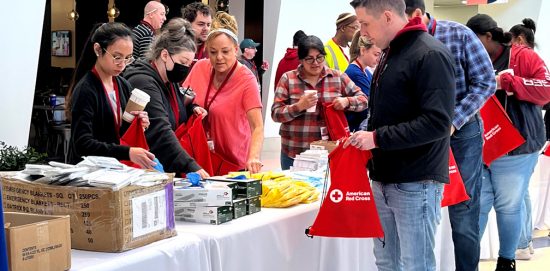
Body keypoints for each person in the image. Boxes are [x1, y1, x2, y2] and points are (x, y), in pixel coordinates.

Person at [346, 0, 456, 270]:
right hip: (383, 177)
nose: (362, 32)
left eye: (365, 23)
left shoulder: (429, 54)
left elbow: (437, 122)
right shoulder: (389, 54)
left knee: (416, 264)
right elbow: (386, 111)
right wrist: (365, 133)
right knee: (386, 262)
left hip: (416, 181)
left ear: (386, 16)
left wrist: (377, 138)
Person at [404, 1, 497, 270]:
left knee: (464, 213)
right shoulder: (402, 43)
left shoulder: (459, 34)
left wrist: (453, 121)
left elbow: (486, 82)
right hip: (420, 135)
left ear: (417, 14)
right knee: (418, 207)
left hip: (462, 134)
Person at [467, 14, 550, 271]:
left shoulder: (523, 56)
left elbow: (546, 89)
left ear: (488, 36)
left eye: (475, 40)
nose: (471, 46)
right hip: (481, 146)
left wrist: (510, 82)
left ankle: (506, 260)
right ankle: (468, 262)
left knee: (508, 206)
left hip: (517, 146)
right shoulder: (473, 59)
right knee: (477, 206)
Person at [124, 18, 209, 178]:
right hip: (148, 171)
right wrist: (190, 166)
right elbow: (159, 129)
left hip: (164, 169)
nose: (185, 68)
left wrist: (192, 108)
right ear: (164, 55)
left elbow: (175, 109)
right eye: (183, 62)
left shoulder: (169, 81)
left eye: (190, 64)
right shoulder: (143, 82)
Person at [182, 12, 264, 173]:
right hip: (201, 159)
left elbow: (257, 127)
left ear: (235, 49)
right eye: (213, 52)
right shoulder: (200, 68)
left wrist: (254, 157)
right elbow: (181, 100)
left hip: (234, 165)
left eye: (225, 51)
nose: (219, 57)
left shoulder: (246, 79)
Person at [272, 35, 368, 170]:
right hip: (294, 152)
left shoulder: (337, 77)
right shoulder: (288, 79)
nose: (315, 63)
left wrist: (347, 101)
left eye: (319, 57)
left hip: (328, 153)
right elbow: (275, 114)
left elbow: (364, 100)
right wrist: (299, 107)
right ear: (301, 60)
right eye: (309, 59)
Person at [67, 22, 155, 168]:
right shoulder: (86, 89)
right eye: (117, 57)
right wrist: (128, 153)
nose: (122, 64)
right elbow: (82, 144)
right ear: (98, 49)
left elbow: (120, 133)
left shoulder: (123, 85)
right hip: (88, 175)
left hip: (115, 171)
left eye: (128, 58)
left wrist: (138, 125)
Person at [509, 17, 539, 261]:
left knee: (516, 193)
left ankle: (522, 242)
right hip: (531, 134)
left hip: (523, 135)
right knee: (522, 192)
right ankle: (525, 241)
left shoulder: (523, 62)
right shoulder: (531, 62)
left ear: (518, 40)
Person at [344, 31, 381, 132]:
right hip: (355, 128)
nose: (378, 59)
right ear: (363, 50)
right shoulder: (354, 73)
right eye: (376, 54)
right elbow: (371, 104)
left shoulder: (367, 73)